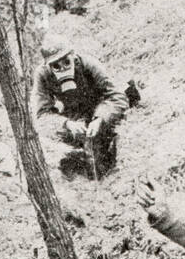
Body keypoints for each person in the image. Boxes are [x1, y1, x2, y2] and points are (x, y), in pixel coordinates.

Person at [32, 32, 127, 182]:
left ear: (73, 55)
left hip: (98, 107)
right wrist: (67, 124)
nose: (63, 68)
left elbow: (116, 96)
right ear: (49, 66)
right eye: (56, 65)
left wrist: (100, 118)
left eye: (66, 62)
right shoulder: (43, 75)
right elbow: (42, 114)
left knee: (100, 143)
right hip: (73, 116)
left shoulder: (88, 64)